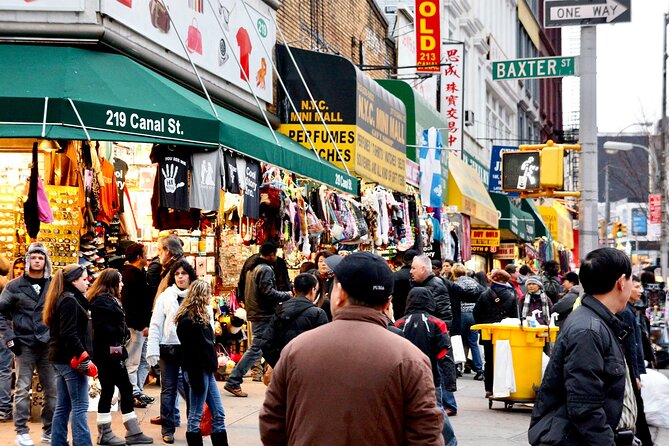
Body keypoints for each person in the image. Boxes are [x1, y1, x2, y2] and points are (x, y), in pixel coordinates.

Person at [259, 251, 444, 445]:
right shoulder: (410, 359)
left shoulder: (296, 350)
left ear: (339, 296)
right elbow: (426, 436)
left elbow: (272, 424)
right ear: (388, 303)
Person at [529, 248, 639, 446]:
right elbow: (585, 406)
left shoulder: (599, 322)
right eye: (632, 280)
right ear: (621, 282)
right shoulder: (588, 330)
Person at [0, 243, 56, 446]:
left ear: (45, 261)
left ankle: (48, 430)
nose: (37, 261)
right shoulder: (14, 286)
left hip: (47, 343)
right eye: (33, 257)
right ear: (27, 260)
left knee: (52, 390)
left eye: (41, 258)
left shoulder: (53, 284)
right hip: (23, 343)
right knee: (22, 388)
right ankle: (21, 430)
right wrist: (9, 336)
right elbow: (1, 312)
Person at [89, 269, 153, 445]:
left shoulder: (108, 300)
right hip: (108, 355)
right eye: (120, 281)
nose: (122, 284)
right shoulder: (102, 302)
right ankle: (118, 432)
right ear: (112, 283)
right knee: (120, 388)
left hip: (111, 353)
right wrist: (120, 331)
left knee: (116, 389)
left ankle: (121, 431)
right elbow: (104, 329)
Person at [224, 241, 292, 398]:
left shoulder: (251, 267)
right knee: (257, 348)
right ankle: (234, 380)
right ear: (271, 254)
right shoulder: (265, 269)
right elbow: (269, 293)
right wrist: (287, 295)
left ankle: (276, 378)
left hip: (256, 312)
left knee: (265, 346)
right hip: (263, 314)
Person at [395, 287, 458, 445]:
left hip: (405, 377)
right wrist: (450, 383)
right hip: (430, 377)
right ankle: (450, 443)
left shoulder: (399, 323)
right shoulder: (437, 323)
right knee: (435, 410)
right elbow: (445, 353)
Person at [43, 264, 96, 446]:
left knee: (63, 405)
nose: (87, 282)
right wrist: (83, 355)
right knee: (80, 406)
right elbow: (69, 333)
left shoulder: (65, 298)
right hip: (70, 360)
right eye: (84, 278)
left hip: (61, 358)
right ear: (74, 281)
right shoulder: (69, 300)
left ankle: (57, 442)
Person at [147, 259, 196, 444]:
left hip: (191, 349)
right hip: (169, 348)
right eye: (177, 274)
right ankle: (168, 429)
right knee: (168, 390)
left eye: (183, 273)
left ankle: (194, 427)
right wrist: (152, 348)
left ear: (190, 275)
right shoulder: (166, 296)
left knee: (192, 389)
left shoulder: (196, 294)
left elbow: (208, 322)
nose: (180, 277)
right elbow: (156, 324)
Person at [175, 280, 228, 446]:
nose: (210, 296)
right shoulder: (189, 321)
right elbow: (194, 351)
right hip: (197, 371)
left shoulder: (199, 317)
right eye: (208, 293)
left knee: (218, 413)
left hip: (204, 370)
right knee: (196, 416)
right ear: (201, 295)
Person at [258, 273, 328, 368]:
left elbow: (265, 344)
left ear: (294, 290)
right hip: (309, 370)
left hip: (285, 369)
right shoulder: (318, 314)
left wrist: (279, 365)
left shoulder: (280, 310)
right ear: (313, 290)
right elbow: (324, 346)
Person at [473, 269, 519, 397]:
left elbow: (476, 312)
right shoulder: (511, 295)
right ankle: (503, 388)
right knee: (504, 360)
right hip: (505, 332)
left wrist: (482, 325)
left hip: (488, 331)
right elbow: (515, 317)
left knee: (489, 360)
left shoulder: (484, 294)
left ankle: (489, 388)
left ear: (493, 280)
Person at [120, 242, 155, 408]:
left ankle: (138, 391)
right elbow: (130, 305)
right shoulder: (130, 276)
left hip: (143, 325)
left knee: (144, 360)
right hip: (136, 327)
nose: (147, 256)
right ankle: (132, 393)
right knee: (133, 361)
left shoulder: (139, 273)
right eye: (145, 253)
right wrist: (141, 325)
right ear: (139, 257)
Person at [621, 276, 653, 446]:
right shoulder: (625, 312)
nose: (641, 290)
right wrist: (635, 374)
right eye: (637, 286)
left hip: (633, 369)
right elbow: (630, 346)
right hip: (631, 370)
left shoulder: (631, 310)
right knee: (637, 409)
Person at [452, 264, 484, 380]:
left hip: (461, 314)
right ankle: (479, 370)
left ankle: (457, 368)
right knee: (473, 343)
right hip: (473, 315)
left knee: (458, 341)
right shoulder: (475, 283)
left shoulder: (455, 284)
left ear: (454, 273)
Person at [0, 258, 21, 422]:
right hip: (4, 329)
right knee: (4, 370)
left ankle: (3, 407)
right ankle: (4, 407)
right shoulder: (7, 284)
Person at [411, 254, 453, 330]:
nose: (411, 271)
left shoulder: (436, 286)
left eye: (413, 268)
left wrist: (440, 335)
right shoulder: (418, 284)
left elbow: (444, 315)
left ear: (422, 269)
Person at [147, 234, 184, 303]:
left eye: (159, 249)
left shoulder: (178, 269)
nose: (158, 253)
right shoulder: (171, 266)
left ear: (167, 251)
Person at [392, 249, 416, 320]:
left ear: (403, 260)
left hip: (398, 315)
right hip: (416, 315)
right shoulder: (419, 276)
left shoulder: (394, 276)